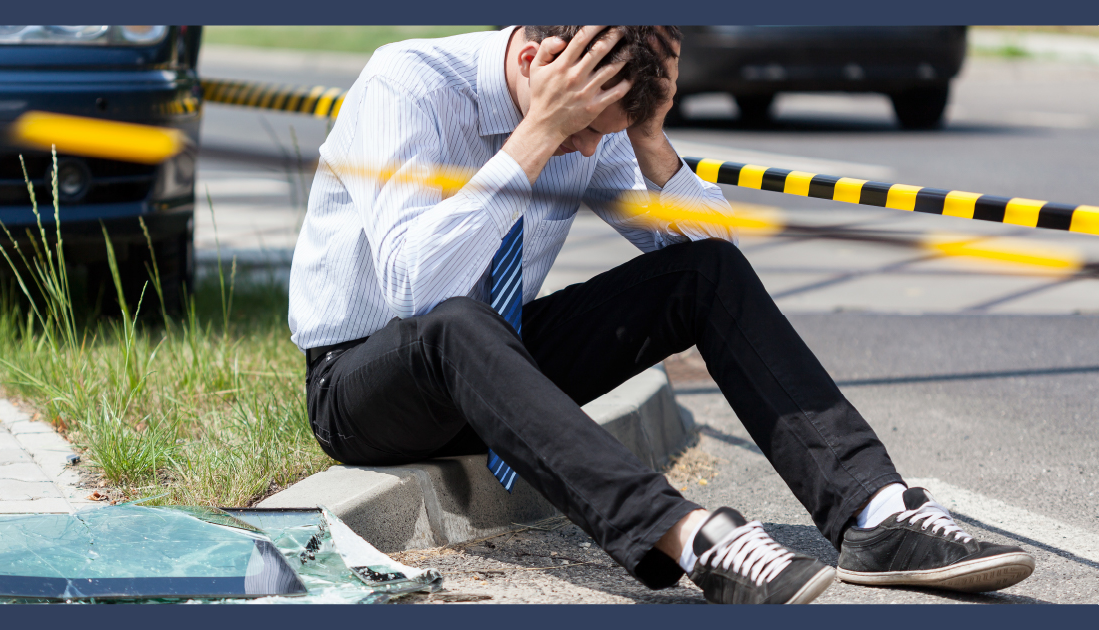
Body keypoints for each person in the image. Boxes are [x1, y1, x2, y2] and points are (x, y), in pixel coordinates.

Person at [287, 25, 1034, 604]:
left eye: (600, 132)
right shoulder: (407, 85)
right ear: (535, 67)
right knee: (454, 321)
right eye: (584, 128)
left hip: (499, 358)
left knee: (700, 272)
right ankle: (690, 538)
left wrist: (646, 140)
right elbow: (417, 289)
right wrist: (536, 138)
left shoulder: (601, 119)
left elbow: (715, 256)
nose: (586, 148)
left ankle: (872, 513)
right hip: (370, 382)